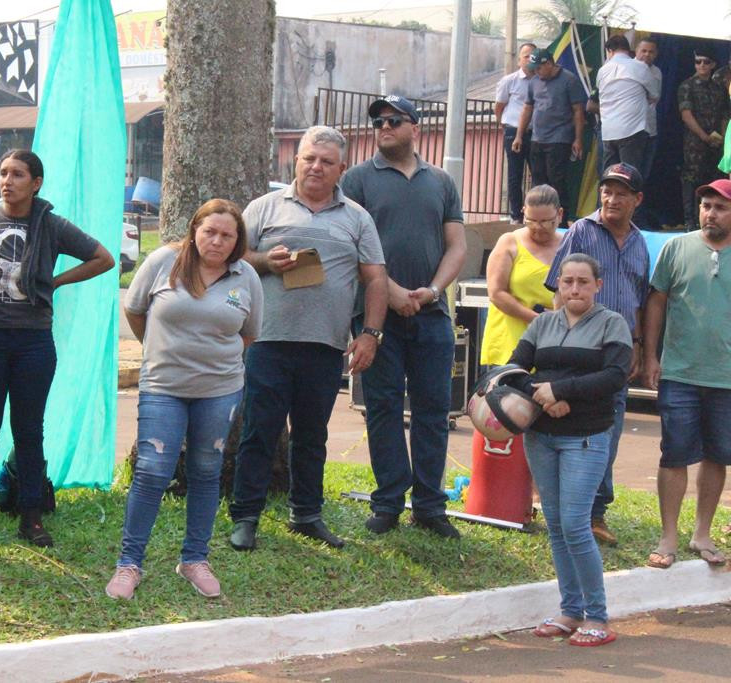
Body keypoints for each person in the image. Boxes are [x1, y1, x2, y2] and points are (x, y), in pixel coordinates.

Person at [228, 125, 389, 551]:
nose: (315, 167)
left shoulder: (357, 217)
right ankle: (245, 517)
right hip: (266, 340)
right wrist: (265, 260)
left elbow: (375, 277)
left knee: (312, 435)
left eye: (326, 162)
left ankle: (307, 515)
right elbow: (233, 256)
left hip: (326, 345)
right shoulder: (264, 208)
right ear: (295, 160)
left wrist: (370, 333)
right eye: (308, 158)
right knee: (259, 431)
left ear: (341, 169)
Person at [106, 199, 262, 600]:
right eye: (210, 231)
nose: (217, 240)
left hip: (220, 390)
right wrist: (161, 350)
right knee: (153, 471)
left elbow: (249, 333)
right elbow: (135, 309)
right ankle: (129, 564)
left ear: (237, 241)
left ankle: (194, 559)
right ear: (194, 230)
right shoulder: (163, 262)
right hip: (163, 386)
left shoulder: (246, 277)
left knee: (207, 470)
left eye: (227, 235)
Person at [0, 149, 113, 547]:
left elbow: (103, 258)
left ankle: (32, 516)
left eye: (17, 175)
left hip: (33, 342)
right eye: (3, 174)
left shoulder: (51, 225)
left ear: (36, 183)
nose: (7, 181)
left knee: (29, 432)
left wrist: (56, 282)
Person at [341, 96, 467, 539]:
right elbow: (352, 246)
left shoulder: (442, 183)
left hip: (432, 316)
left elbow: (456, 246)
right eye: (377, 121)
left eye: (394, 120)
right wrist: (391, 294)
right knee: (383, 408)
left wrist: (431, 290)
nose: (383, 126)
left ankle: (430, 506)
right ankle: (390, 501)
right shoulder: (356, 180)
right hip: (378, 317)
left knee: (434, 411)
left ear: (415, 127)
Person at [510, 253, 631, 647]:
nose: (575, 289)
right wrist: (544, 398)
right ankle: (570, 610)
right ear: (557, 285)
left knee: (577, 524)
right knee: (558, 526)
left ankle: (597, 616)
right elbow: (512, 371)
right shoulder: (542, 323)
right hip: (540, 436)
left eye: (583, 281)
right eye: (567, 282)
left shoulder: (612, 324)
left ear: (598, 285)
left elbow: (614, 376)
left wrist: (561, 392)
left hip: (586, 436)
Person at [545, 163, 650, 547]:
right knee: (575, 430)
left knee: (610, 430)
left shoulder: (639, 241)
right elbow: (559, 292)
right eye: (607, 190)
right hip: (579, 350)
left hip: (619, 353)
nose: (611, 198)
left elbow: (636, 299)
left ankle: (595, 513)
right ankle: (567, 511)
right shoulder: (581, 232)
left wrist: (638, 346)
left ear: (637, 200)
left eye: (621, 192)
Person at [643, 179, 731, 569]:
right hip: (679, 371)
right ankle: (668, 537)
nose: (710, 213)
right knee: (674, 453)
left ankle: (702, 533)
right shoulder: (676, 247)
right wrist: (650, 356)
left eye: (720, 207)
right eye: (706, 206)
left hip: (726, 378)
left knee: (718, 455)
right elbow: (657, 301)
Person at [480, 185, 563, 368]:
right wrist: (537, 319)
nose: (537, 228)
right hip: (510, 344)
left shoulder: (569, 246)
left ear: (560, 215)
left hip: (551, 345)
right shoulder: (509, 242)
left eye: (545, 222)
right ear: (523, 212)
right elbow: (496, 293)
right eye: (531, 221)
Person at [513, 49, 587, 221]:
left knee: (557, 180)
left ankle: (562, 218)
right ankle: (538, 217)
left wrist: (578, 139)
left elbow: (578, 111)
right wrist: (519, 135)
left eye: (539, 68)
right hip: (537, 138)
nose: (536, 72)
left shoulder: (569, 80)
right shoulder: (534, 82)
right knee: (538, 181)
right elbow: (527, 108)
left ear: (549, 64)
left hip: (560, 138)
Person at [678, 48, 730, 229]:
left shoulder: (719, 88)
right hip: (695, 142)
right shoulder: (687, 85)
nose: (701, 65)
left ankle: (713, 220)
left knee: (714, 181)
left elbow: (725, 114)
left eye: (706, 62)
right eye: (698, 62)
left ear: (713, 65)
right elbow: (686, 115)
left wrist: (723, 138)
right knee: (691, 180)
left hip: (716, 142)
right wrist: (704, 137)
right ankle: (690, 221)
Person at [596, 34, 660, 171]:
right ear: (629, 49)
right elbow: (655, 95)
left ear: (609, 51)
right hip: (632, 129)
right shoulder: (640, 67)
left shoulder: (602, 71)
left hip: (608, 130)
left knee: (608, 174)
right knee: (630, 175)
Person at [495, 42, 537, 224]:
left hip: (537, 133)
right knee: (515, 175)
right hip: (513, 131)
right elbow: (499, 106)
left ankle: (535, 213)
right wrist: (503, 125)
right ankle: (516, 215)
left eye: (532, 56)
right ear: (519, 60)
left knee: (538, 175)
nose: (529, 59)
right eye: (526, 56)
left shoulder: (541, 81)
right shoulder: (509, 81)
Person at [634, 37, 663, 182]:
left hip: (650, 128)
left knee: (643, 174)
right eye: (643, 51)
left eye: (651, 52)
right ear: (636, 51)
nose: (647, 54)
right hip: (631, 130)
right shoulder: (627, 68)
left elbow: (655, 97)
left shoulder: (656, 72)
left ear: (656, 54)